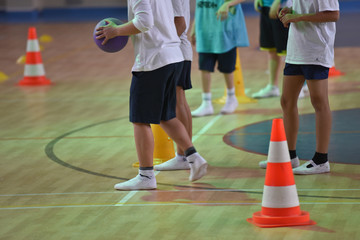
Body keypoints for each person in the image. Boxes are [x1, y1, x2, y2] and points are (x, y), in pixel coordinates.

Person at [96, 0, 208, 190]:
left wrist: (115, 31)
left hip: (152, 61)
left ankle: (146, 175)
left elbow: (144, 22)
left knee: (140, 120)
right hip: (173, 57)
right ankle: (194, 158)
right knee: (166, 116)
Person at [279, 0, 339, 174]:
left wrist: (298, 17)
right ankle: (289, 156)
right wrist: (288, 11)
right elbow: (298, 9)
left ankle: (321, 159)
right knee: (286, 101)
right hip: (296, 49)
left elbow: (333, 14)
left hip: (316, 50)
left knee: (319, 101)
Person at [190, 0, 249, 117]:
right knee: (204, 67)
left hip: (224, 31)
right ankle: (206, 103)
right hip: (205, 30)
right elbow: (200, 7)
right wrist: (194, 27)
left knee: (227, 69)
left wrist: (228, 4)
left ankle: (231, 98)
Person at [155, 0, 194, 171]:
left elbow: (180, 23)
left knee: (177, 101)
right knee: (180, 100)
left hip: (176, 51)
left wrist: (161, 46)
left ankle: (184, 155)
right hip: (179, 51)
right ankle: (185, 154)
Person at [251, 0, 289, 99]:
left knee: (289, 50)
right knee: (272, 49)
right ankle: (273, 86)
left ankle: (302, 86)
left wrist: (278, 1)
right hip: (266, 7)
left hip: (283, 8)